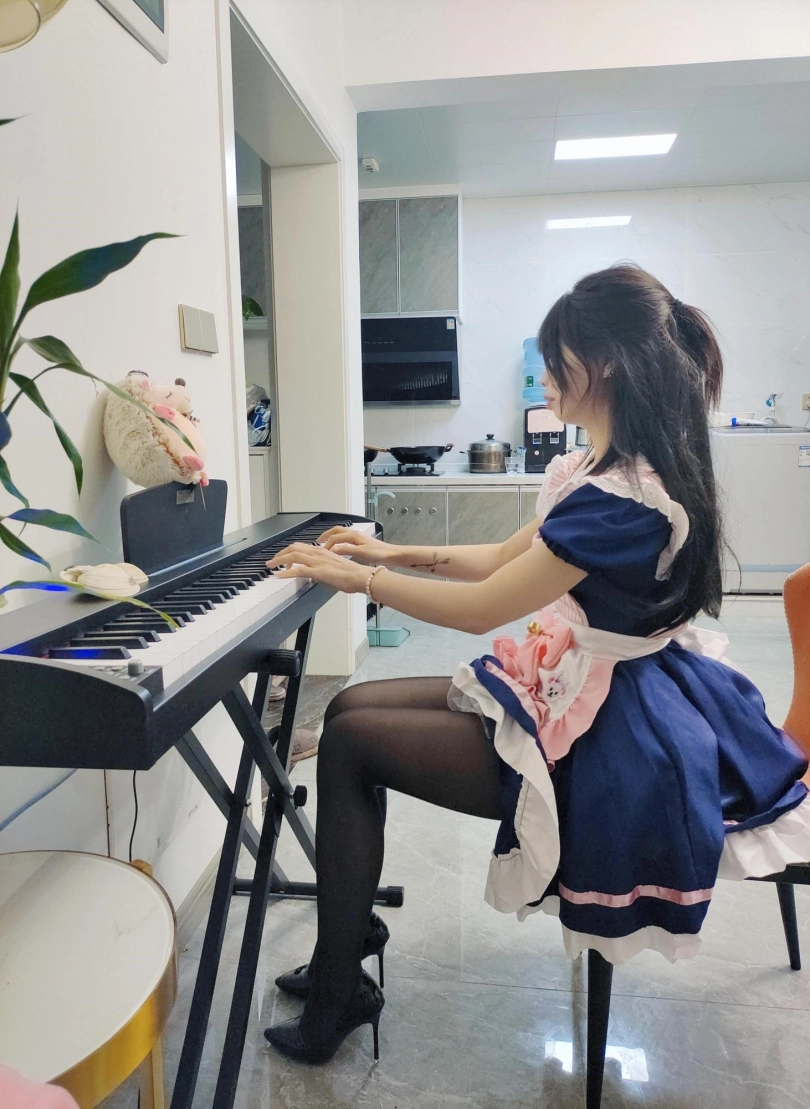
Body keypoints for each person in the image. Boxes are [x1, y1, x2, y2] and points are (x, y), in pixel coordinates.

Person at [262, 264, 810, 1065]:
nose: (545, 374)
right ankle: (349, 932)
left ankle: (340, 983)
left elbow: (483, 607)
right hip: (576, 679)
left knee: (348, 744)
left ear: (606, 363)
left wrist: (358, 580)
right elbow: (497, 560)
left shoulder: (624, 499)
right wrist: (386, 550)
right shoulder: (597, 470)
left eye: (557, 358)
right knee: (347, 710)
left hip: (605, 731)